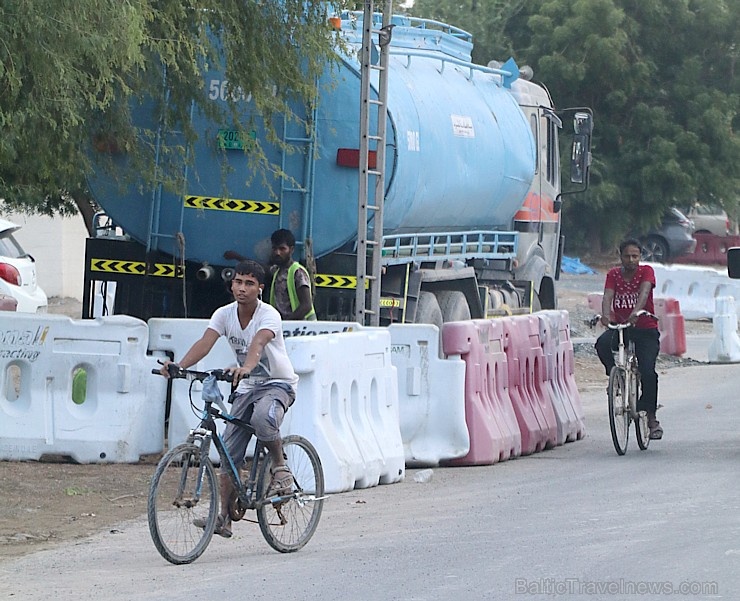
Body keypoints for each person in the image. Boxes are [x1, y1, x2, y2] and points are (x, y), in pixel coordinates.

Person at [159, 259, 298, 538]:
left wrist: (246, 368)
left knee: (262, 419)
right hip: (246, 388)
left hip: (276, 384)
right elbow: (205, 342)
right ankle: (223, 517)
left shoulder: (268, 315)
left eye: (249, 283)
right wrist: (181, 367)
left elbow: (258, 342)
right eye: (237, 282)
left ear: (260, 288)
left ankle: (280, 467)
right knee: (228, 455)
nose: (242, 288)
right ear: (231, 284)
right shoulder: (224, 314)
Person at [595, 238, 663, 440]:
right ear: (620, 257)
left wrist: (637, 312)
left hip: (645, 329)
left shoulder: (647, 271)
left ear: (640, 257)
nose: (631, 260)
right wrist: (606, 315)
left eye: (635, 256)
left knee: (648, 372)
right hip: (622, 327)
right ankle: (616, 377)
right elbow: (607, 296)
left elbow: (644, 292)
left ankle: (651, 418)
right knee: (602, 344)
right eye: (627, 256)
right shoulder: (613, 274)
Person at [223, 229, 316, 320]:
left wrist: (286, 323)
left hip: (300, 328)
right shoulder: (277, 271)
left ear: (291, 250)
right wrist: (236, 257)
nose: (277, 253)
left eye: (282, 249)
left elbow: (306, 306)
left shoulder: (298, 272)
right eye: (274, 248)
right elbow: (259, 266)